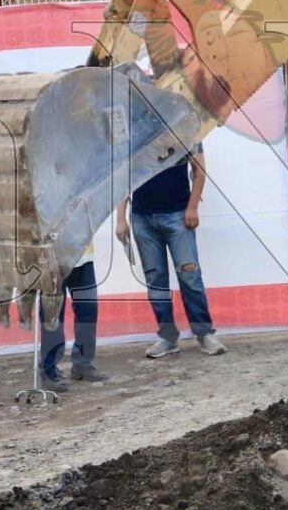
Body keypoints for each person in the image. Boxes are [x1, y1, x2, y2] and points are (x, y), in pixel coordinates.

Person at [115, 144, 226, 359]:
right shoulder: (133, 134)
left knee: (189, 276)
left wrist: (192, 207)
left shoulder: (186, 130)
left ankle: (204, 333)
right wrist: (121, 219)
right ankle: (168, 337)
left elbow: (199, 171)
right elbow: (124, 177)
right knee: (155, 279)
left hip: (178, 215)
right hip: (142, 218)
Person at [38, 242, 104, 389]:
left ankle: (83, 364)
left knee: (88, 310)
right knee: (52, 315)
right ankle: (49, 371)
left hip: (83, 256)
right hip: (50, 259)